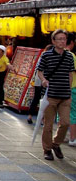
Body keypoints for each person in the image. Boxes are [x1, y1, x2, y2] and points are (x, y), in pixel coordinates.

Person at [37, 29, 75, 161]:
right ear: (53, 41)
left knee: (65, 123)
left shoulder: (69, 56)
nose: (62, 41)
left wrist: (69, 89)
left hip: (65, 95)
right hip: (50, 95)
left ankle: (56, 143)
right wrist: (43, 80)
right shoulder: (46, 55)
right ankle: (47, 149)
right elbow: (40, 71)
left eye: (64, 39)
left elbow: (70, 74)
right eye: (59, 39)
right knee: (48, 125)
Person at [27, 44, 53, 124]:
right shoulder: (48, 58)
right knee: (45, 99)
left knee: (36, 98)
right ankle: (42, 119)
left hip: (38, 80)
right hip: (44, 80)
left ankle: (30, 116)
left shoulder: (41, 57)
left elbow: (37, 69)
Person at [66, 33, 76, 146]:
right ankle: (73, 138)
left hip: (61, 88)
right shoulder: (71, 56)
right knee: (73, 113)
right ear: (72, 42)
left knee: (61, 112)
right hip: (72, 87)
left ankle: (61, 135)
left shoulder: (59, 54)